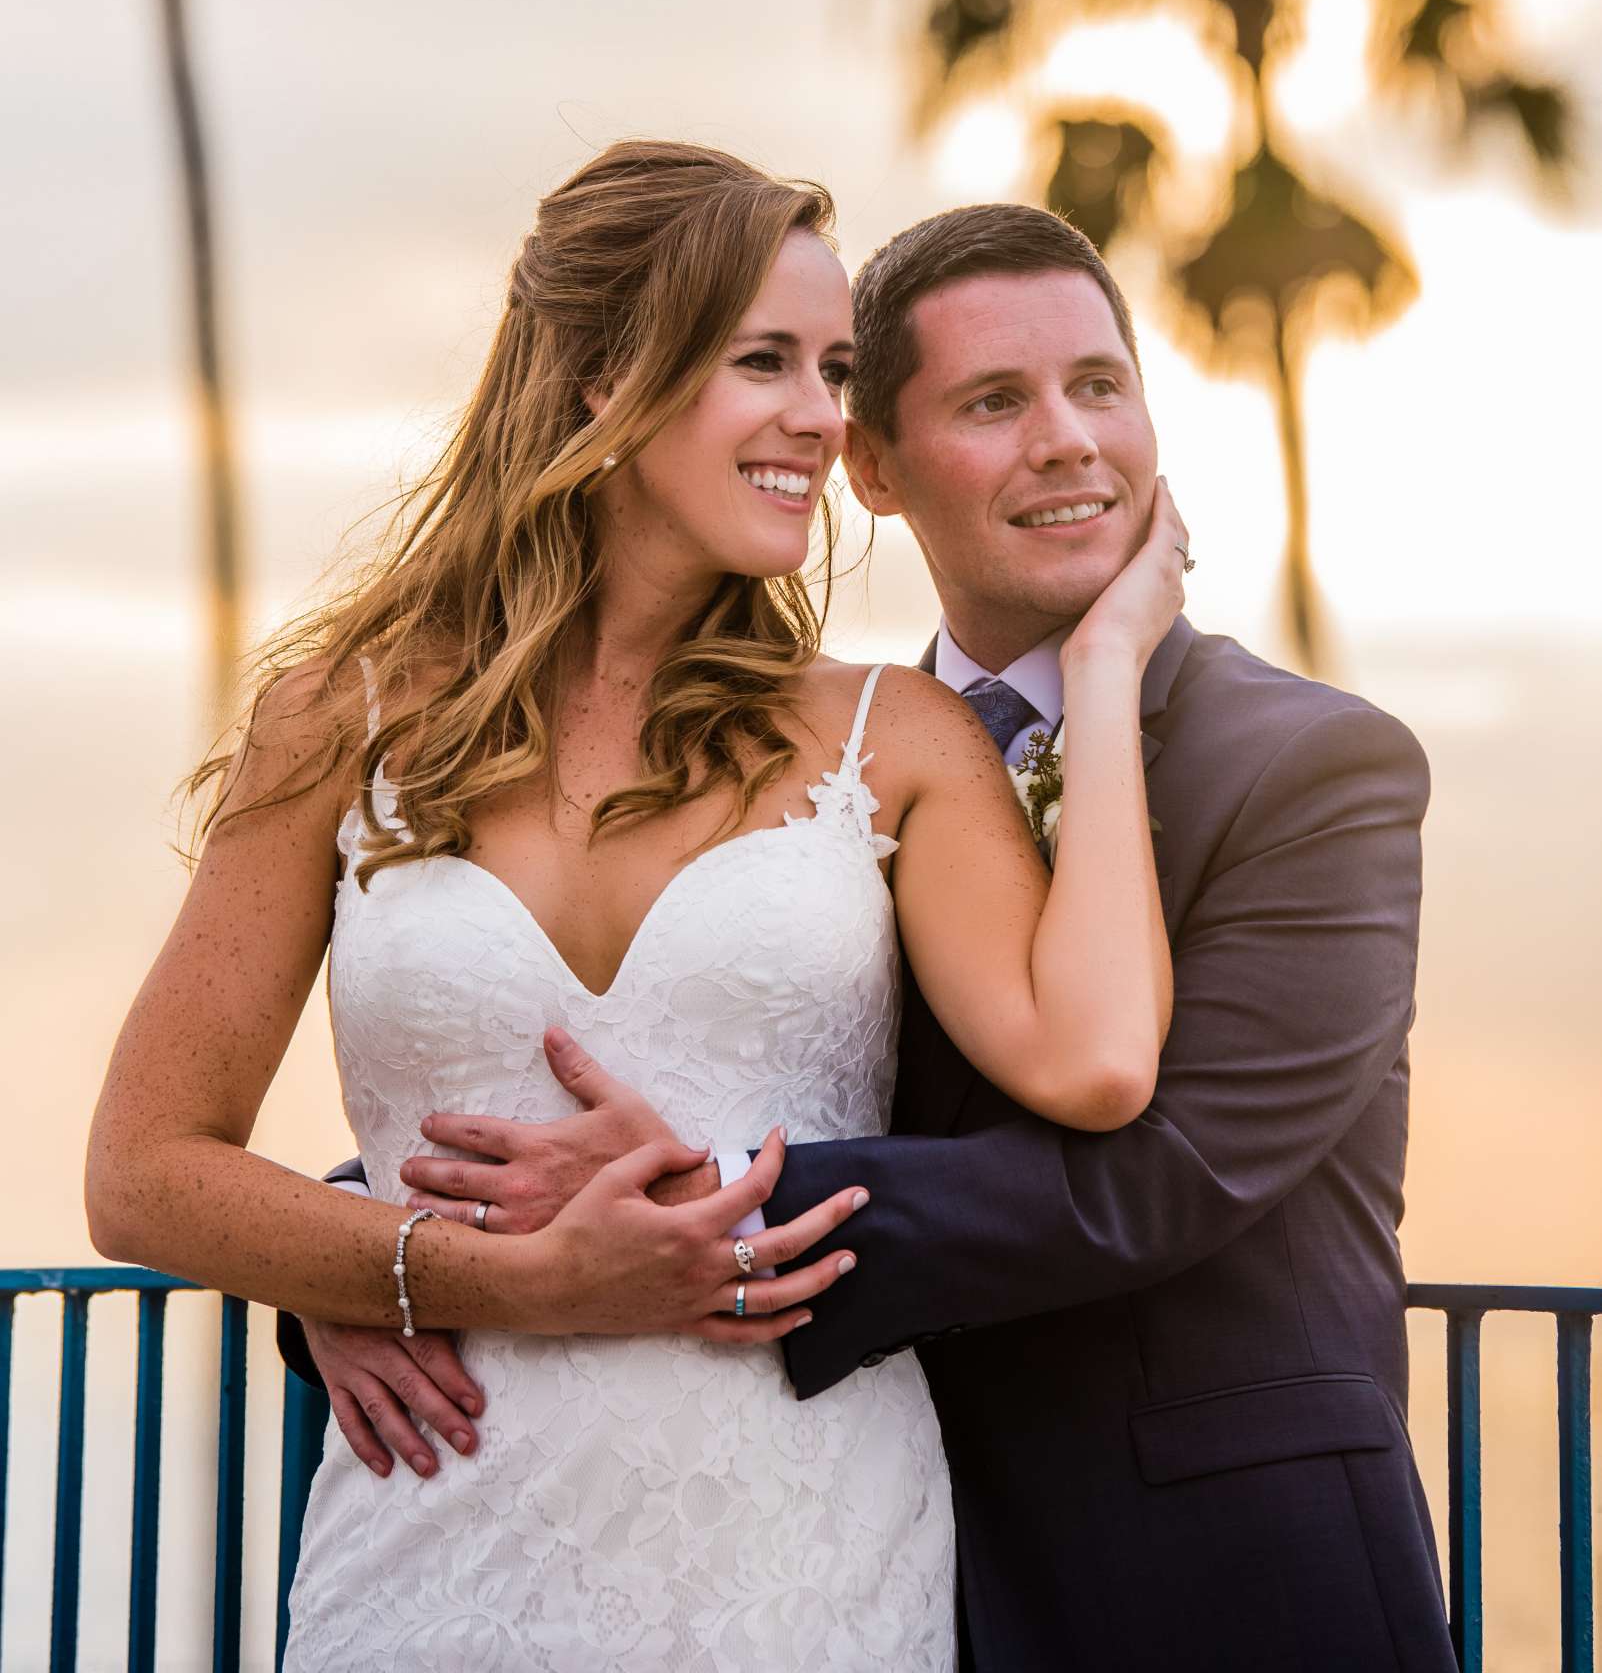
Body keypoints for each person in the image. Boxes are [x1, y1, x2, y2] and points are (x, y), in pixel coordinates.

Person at [295, 201, 1456, 1673]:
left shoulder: (1317, 767)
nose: (1066, 439)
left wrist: (694, 1210)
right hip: (877, 1556)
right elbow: (690, 1042)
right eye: (993, 401)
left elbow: (1164, 1174)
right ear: (873, 466)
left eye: (1100, 385)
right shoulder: (842, 762)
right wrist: (361, 1255)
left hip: (1219, 1584)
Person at [88, 148, 1186, 1673]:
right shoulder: (333, 725)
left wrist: (1114, 670)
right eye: (764, 364)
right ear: (601, 383)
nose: (820, 415)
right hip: (429, 1560)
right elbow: (142, 1172)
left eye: (837, 370)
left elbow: (1097, 1062)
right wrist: (457, 1272)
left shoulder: (895, 742)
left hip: (804, 1563)